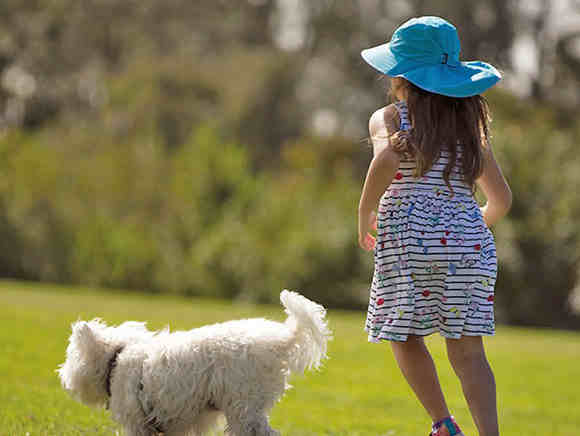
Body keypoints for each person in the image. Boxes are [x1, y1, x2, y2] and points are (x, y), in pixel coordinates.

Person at [357, 17, 512, 436]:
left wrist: (365, 213)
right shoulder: (470, 130)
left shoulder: (390, 118)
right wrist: (463, 229)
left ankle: (443, 423)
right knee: (468, 351)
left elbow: (385, 162)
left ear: (400, 75)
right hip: (468, 243)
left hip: (408, 240)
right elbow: (501, 200)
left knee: (403, 334)